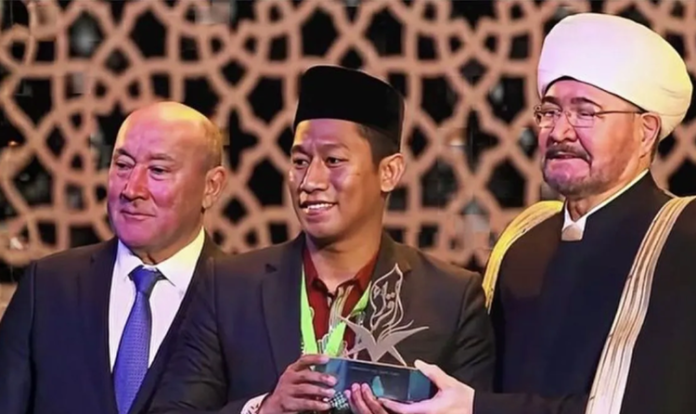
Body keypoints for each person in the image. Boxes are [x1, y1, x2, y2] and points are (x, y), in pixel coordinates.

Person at [380, 12, 696, 414]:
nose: (559, 132)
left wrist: (478, 408)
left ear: (646, 131)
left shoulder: (680, 236)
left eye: (586, 113)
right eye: (549, 112)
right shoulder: (525, 238)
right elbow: (474, 377)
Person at [149, 65, 495, 414]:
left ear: (389, 172)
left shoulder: (450, 299)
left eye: (333, 160)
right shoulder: (228, 287)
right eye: (300, 161)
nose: (310, 181)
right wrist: (265, 408)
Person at [0, 101, 228, 414]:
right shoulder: (48, 286)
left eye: (158, 171)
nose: (132, 189)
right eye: (122, 165)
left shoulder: (239, 299)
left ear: (211, 187)